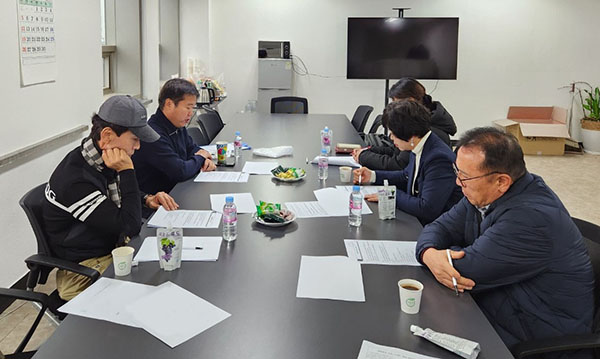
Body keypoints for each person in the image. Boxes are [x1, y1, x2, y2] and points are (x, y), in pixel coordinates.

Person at [416, 127, 594, 357]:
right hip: (500, 309)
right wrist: (429, 253)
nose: (458, 183)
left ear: (501, 181)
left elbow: (465, 271)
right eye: (457, 172)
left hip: (531, 335)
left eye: (465, 177)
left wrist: (445, 255)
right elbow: (437, 227)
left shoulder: (532, 220)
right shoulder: (482, 193)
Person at [43, 95, 178, 300]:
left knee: (168, 264)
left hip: (111, 246)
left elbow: (108, 198)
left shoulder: (97, 157)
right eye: (134, 139)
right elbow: (128, 226)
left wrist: (146, 198)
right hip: (85, 266)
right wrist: (127, 171)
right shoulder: (75, 181)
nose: (138, 146)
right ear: (107, 135)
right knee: (157, 286)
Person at [353, 100, 462, 225]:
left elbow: (427, 209)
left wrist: (392, 195)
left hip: (436, 227)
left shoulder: (438, 158)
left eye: (393, 133)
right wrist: (372, 176)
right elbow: (406, 175)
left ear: (410, 135)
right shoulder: (421, 144)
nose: (391, 137)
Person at [132, 78, 216, 195]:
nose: (190, 113)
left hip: (179, 191)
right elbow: (180, 171)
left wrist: (203, 158)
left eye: (192, 108)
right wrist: (201, 158)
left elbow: (192, 148)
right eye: (188, 107)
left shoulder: (177, 124)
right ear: (169, 104)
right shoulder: (153, 135)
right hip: (160, 201)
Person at [353, 77, 457, 171]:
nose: (393, 107)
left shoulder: (425, 130)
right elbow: (395, 151)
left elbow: (399, 164)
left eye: (396, 103)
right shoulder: (417, 120)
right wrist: (367, 150)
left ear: (410, 101)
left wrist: (364, 157)